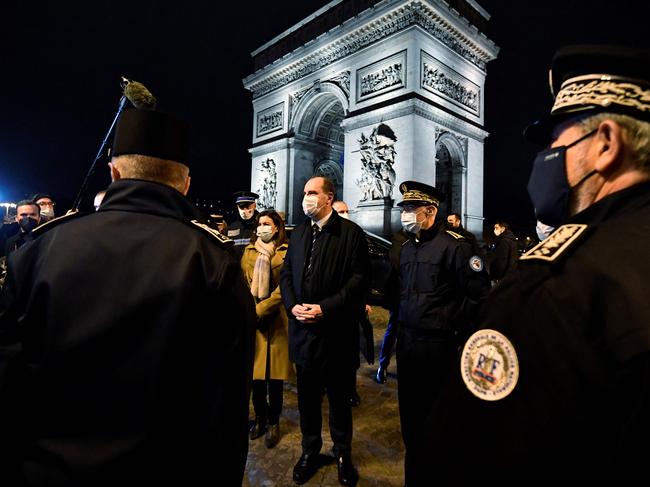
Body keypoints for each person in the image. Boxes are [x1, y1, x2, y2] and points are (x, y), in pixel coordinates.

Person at [426, 44, 650, 485]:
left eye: (556, 141)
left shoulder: (554, 284)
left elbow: (463, 454)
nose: (546, 158)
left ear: (606, 143)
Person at [0, 108, 256, 486]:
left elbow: (8, 386)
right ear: (184, 184)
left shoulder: (40, 250)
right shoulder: (214, 264)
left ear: (114, 173)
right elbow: (227, 411)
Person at [395, 180, 489, 486]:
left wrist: (453, 329)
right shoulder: (407, 248)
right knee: (410, 422)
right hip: (408, 345)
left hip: (440, 348)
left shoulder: (457, 247)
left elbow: (478, 295)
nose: (405, 214)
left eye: (410, 208)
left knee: (439, 421)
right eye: (404, 208)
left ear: (430, 210)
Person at [280, 176, 370, 486]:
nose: (305, 197)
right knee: (307, 400)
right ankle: (310, 450)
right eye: (304, 192)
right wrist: (292, 306)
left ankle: (342, 453)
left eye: (311, 192)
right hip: (304, 334)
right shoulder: (300, 232)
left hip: (336, 335)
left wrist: (325, 308)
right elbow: (287, 274)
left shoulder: (352, 234)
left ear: (329, 198)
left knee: (339, 400)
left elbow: (359, 281)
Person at [241, 210, 293, 449]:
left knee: (274, 379)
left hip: (276, 320)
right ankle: (260, 419)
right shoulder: (248, 251)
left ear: (276, 227)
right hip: (253, 322)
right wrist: (251, 310)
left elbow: (285, 287)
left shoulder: (286, 251)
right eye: (259, 223)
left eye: (267, 224)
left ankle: (274, 421)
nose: (262, 227)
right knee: (256, 379)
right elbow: (243, 282)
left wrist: (261, 309)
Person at [375, 228, 408, 384]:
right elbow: (396, 262)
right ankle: (383, 365)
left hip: (416, 298)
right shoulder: (400, 238)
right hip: (400, 294)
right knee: (393, 329)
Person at [229, 190, 260, 255]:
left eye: (248, 207)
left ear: (254, 206)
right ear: (237, 207)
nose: (244, 210)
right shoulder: (232, 227)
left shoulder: (260, 225)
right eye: (241, 207)